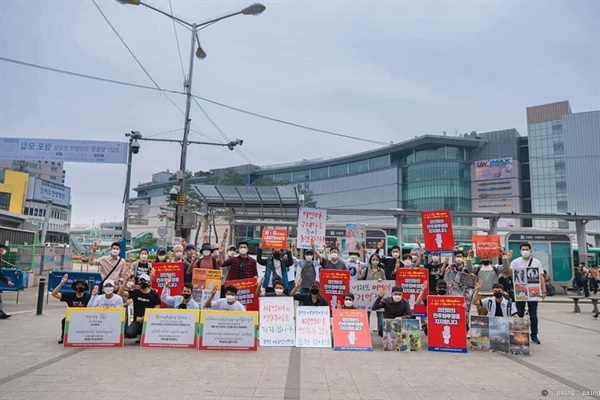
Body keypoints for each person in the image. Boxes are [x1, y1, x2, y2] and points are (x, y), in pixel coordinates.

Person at [505, 242, 546, 344]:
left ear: (530, 250)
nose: (525, 251)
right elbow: (507, 274)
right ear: (520, 251)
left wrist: (544, 290)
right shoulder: (515, 262)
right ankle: (519, 334)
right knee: (519, 314)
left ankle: (534, 335)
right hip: (520, 292)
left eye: (527, 249)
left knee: (533, 315)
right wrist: (507, 260)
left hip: (533, 293)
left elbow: (541, 277)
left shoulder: (536, 262)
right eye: (523, 250)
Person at [118, 273, 161, 342]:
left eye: (144, 281)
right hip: (137, 321)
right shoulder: (135, 292)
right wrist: (126, 280)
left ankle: (145, 335)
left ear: (148, 282)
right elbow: (120, 294)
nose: (142, 282)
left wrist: (145, 317)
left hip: (149, 321)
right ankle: (139, 333)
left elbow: (157, 309)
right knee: (129, 333)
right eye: (140, 281)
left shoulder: (154, 295)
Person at [51, 274, 91, 343]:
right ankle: (63, 337)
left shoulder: (89, 297)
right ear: (75, 287)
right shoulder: (70, 296)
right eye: (78, 285)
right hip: (72, 317)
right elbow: (54, 294)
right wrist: (62, 283)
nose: (80, 287)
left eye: (82, 285)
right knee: (64, 320)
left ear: (85, 287)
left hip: (85, 318)